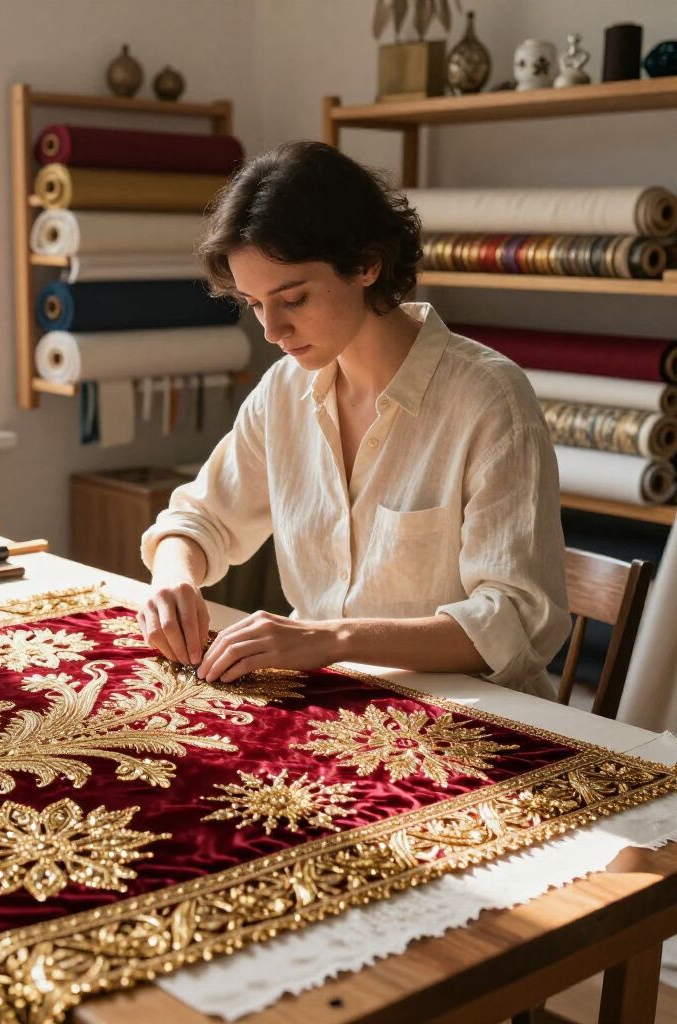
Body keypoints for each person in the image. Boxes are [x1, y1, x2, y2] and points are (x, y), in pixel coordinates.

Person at [138, 140, 570, 699]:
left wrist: (333, 637)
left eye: (293, 299)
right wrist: (173, 579)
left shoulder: (489, 401)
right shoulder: (284, 391)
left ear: (368, 264)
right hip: (329, 702)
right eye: (254, 303)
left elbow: (516, 621)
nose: (271, 330)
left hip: (482, 720)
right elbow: (199, 520)